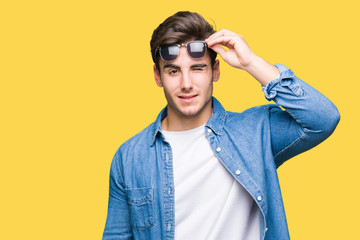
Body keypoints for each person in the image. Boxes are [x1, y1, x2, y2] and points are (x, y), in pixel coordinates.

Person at [102, 11, 340, 240]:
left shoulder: (255, 132)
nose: (186, 84)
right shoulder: (129, 156)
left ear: (215, 70)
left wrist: (251, 63)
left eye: (198, 68)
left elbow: (323, 118)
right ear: (158, 76)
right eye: (173, 71)